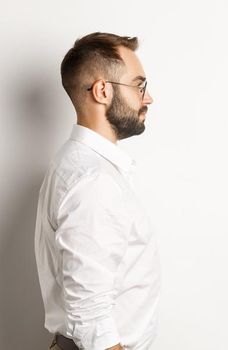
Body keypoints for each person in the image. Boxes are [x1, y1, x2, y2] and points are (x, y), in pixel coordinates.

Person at [34, 32, 159, 350]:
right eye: (139, 86)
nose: (148, 98)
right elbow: (90, 317)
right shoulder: (93, 181)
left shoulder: (79, 164)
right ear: (103, 90)